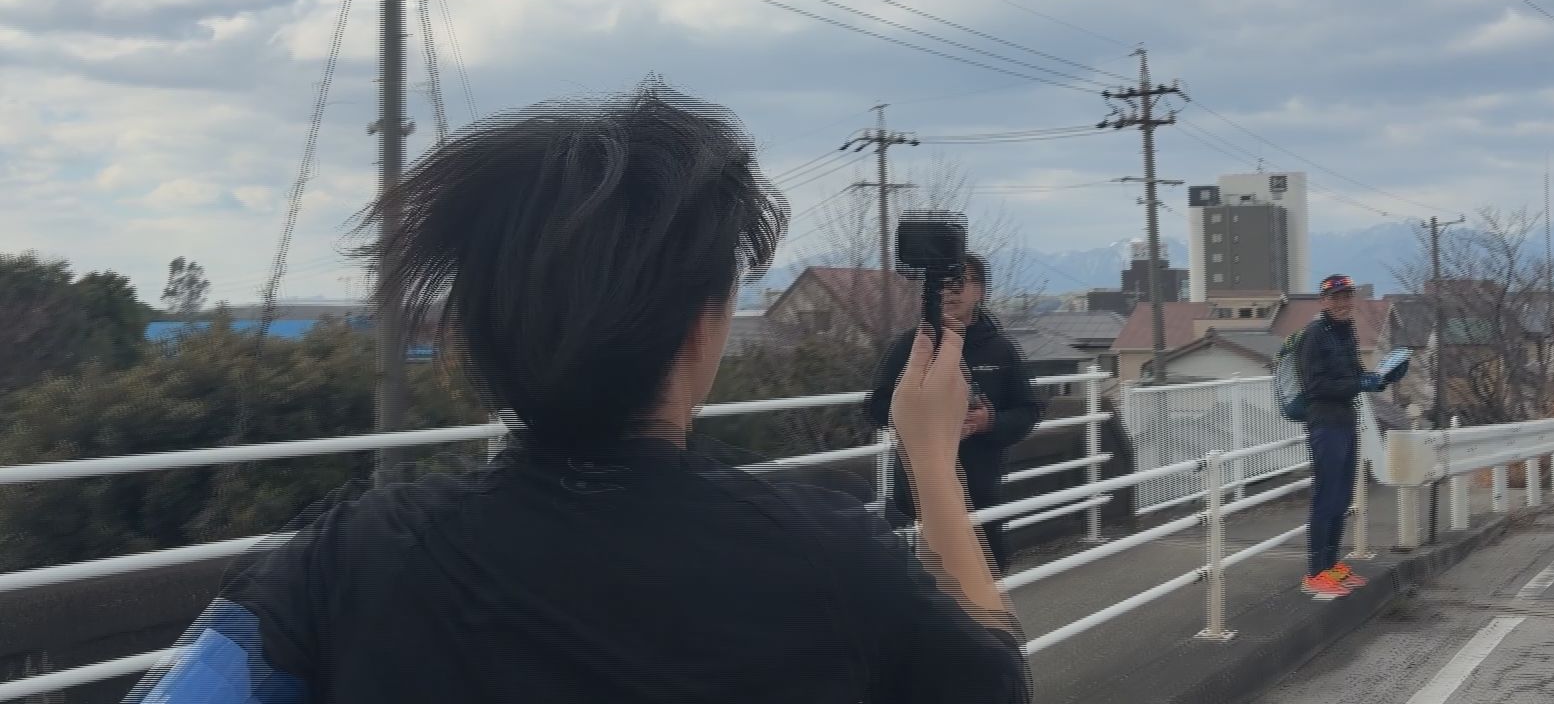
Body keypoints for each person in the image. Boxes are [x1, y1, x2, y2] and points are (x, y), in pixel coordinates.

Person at [126, 87, 1032, 704]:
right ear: (700, 329)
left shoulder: (341, 561)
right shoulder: (827, 558)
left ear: (479, 335)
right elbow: (993, 681)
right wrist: (932, 461)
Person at [866, 253, 1040, 577]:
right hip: (916, 496)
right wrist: (919, 419)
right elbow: (875, 407)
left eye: (959, 283)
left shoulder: (1001, 350)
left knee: (982, 584)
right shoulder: (912, 347)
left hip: (979, 493)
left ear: (980, 291)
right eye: (941, 284)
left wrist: (990, 422)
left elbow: (1029, 410)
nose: (949, 291)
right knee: (915, 585)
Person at [1297, 273, 1404, 601]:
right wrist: (1360, 384)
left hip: (1345, 419)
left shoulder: (1346, 332)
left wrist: (1381, 378)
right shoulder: (1314, 335)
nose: (1343, 303)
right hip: (1324, 422)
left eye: (1347, 296)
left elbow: (1356, 376)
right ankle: (1315, 573)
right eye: (1336, 297)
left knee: (1343, 497)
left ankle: (1331, 565)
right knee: (1326, 496)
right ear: (1323, 301)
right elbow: (1314, 386)